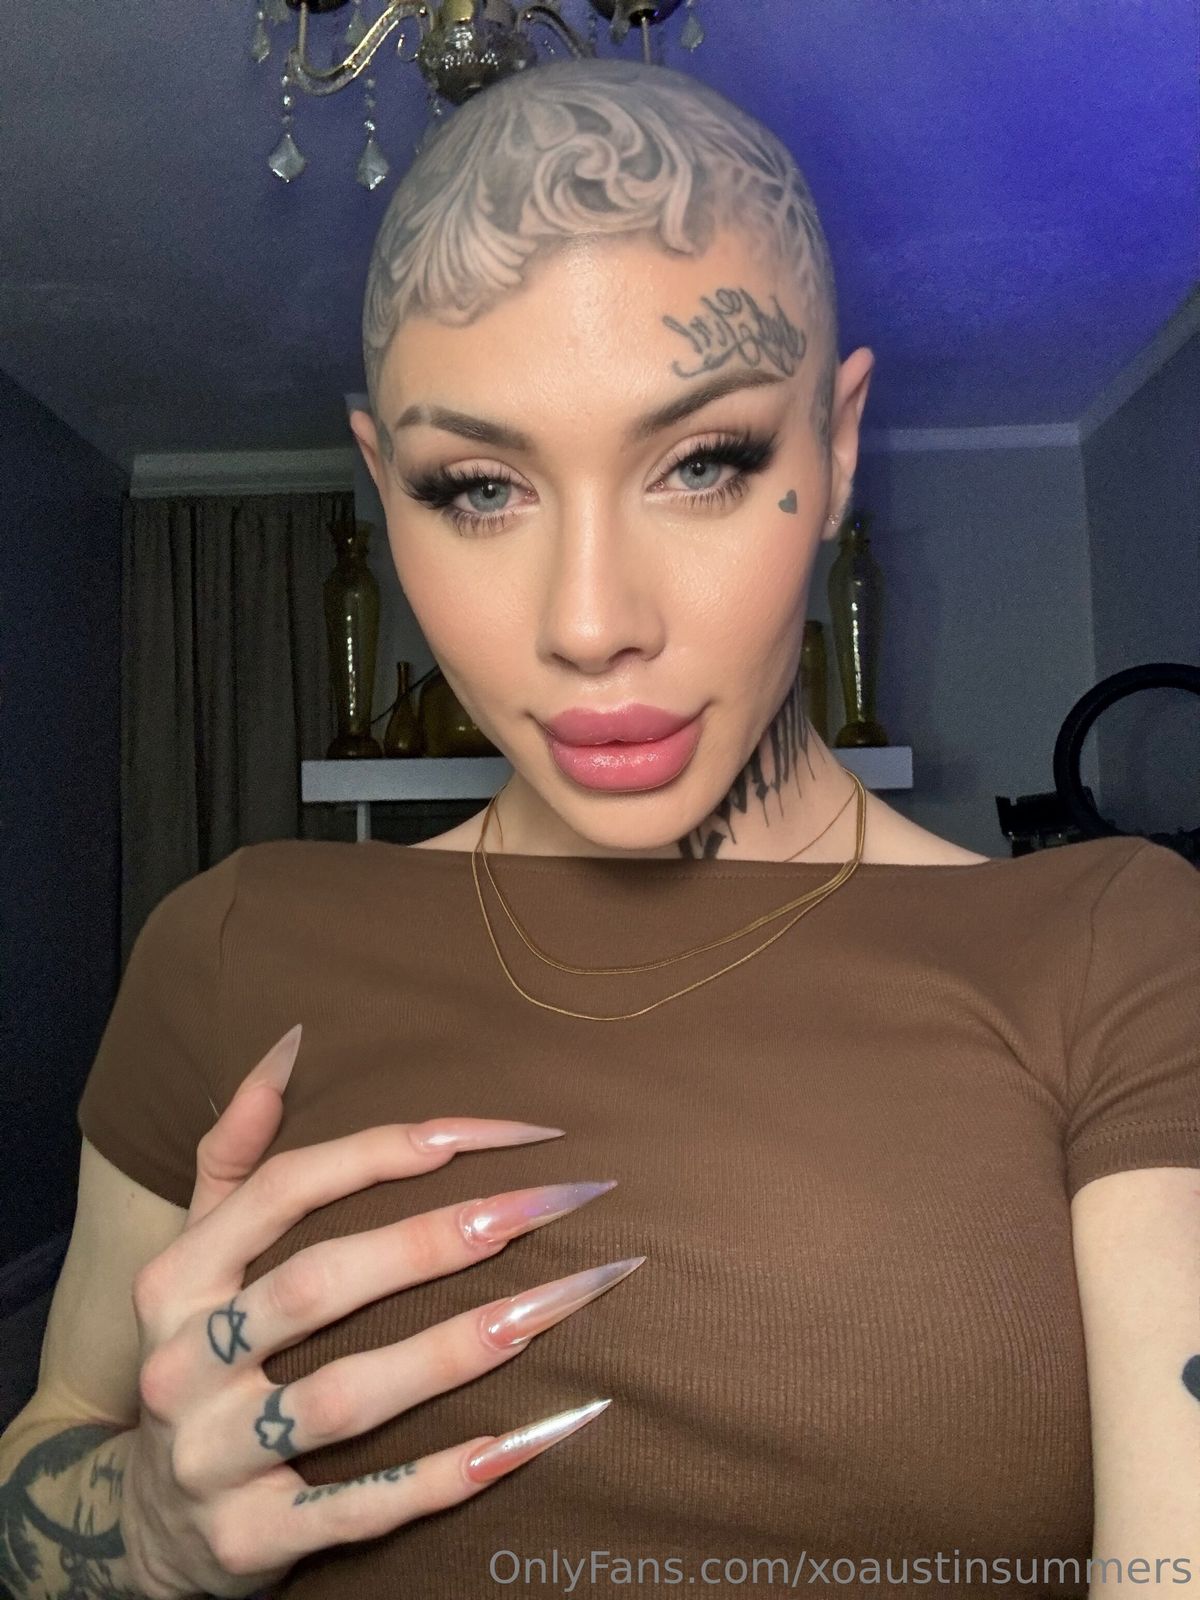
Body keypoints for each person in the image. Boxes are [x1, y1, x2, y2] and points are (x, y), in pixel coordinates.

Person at [3, 53, 1197, 1600]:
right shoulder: (231, 943)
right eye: (477, 487)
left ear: (837, 447)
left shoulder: (1112, 949)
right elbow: (57, 1436)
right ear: (383, 487)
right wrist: (144, 1530)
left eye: (702, 463)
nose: (588, 623)